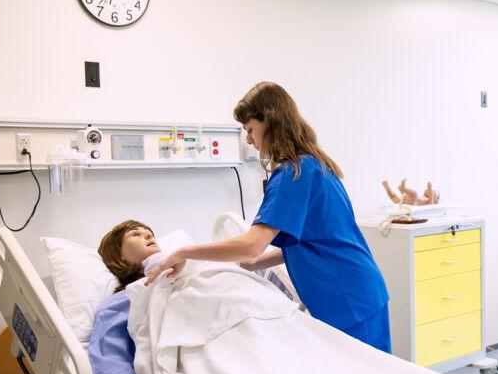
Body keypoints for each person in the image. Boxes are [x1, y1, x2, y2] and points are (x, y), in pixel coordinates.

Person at [145, 82, 391, 353]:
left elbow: (252, 244)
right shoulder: (314, 164)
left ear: (271, 120)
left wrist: (184, 252)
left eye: (250, 129)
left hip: (347, 299)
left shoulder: (292, 174)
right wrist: (256, 263)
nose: (248, 139)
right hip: (359, 288)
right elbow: (314, 241)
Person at [91, 220, 161, 374]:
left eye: (150, 233)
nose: (149, 236)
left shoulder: (182, 278)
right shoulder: (121, 302)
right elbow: (109, 356)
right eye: (136, 234)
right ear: (118, 257)